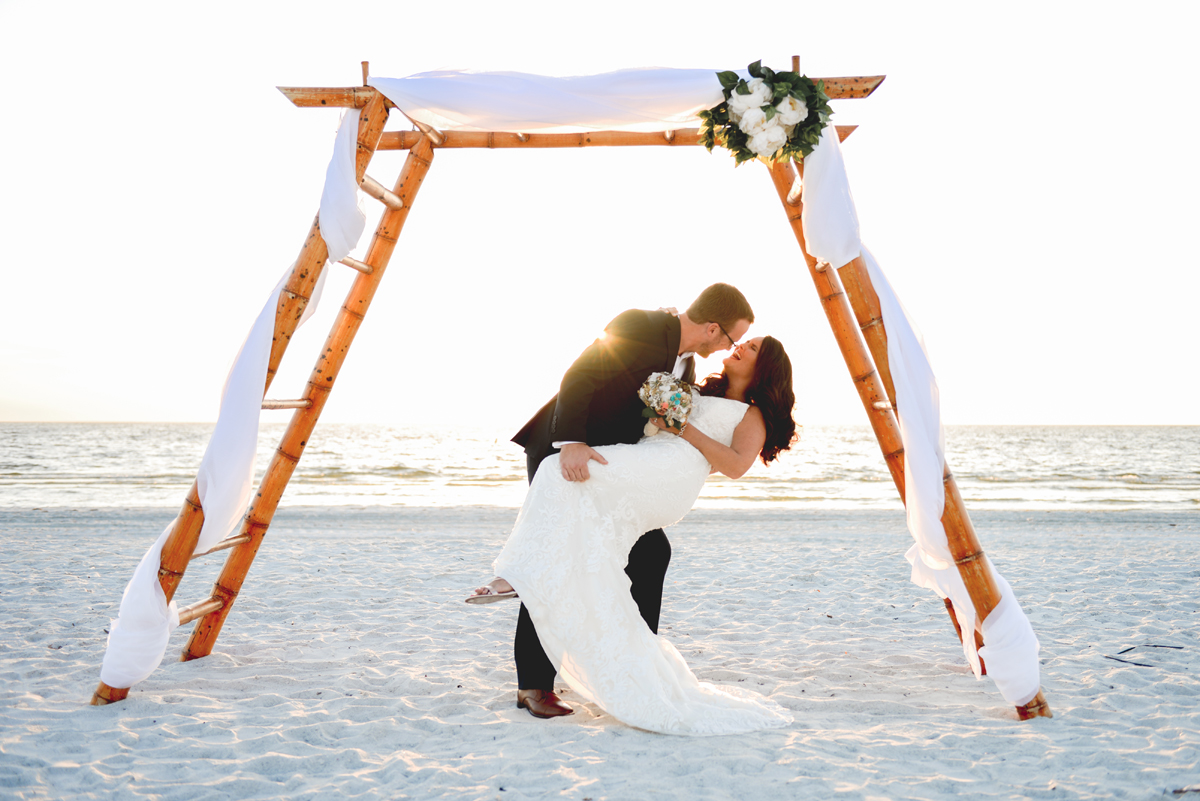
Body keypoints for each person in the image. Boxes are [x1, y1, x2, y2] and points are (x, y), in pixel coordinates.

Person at [473, 333, 799, 735]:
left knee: (559, 475)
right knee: (570, 516)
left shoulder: (753, 414)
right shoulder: (694, 386)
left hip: (669, 477)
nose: (741, 347)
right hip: (651, 459)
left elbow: (732, 466)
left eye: (752, 348)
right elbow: (646, 409)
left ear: (765, 368)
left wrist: (682, 431)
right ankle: (595, 658)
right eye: (743, 340)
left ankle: (516, 575)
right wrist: (660, 422)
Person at [500, 283, 754, 720]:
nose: (729, 347)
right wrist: (573, 442)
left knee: (652, 552)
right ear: (714, 328)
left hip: (607, 467)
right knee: (558, 554)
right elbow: (580, 375)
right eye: (732, 338)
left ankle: (638, 674)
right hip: (564, 450)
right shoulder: (642, 324)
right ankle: (533, 686)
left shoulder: (687, 365)